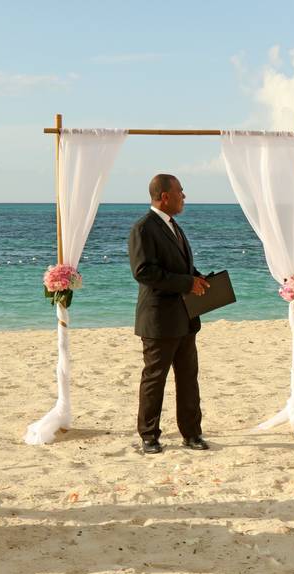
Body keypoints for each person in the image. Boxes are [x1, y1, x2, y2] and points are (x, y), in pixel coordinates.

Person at [128, 174, 210, 454]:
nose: (184, 196)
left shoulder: (174, 226)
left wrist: (199, 279)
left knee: (188, 378)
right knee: (155, 379)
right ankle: (149, 436)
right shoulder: (143, 228)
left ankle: (191, 433)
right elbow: (144, 272)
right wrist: (187, 283)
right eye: (180, 192)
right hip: (159, 319)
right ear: (164, 196)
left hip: (186, 317)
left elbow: (181, 268)